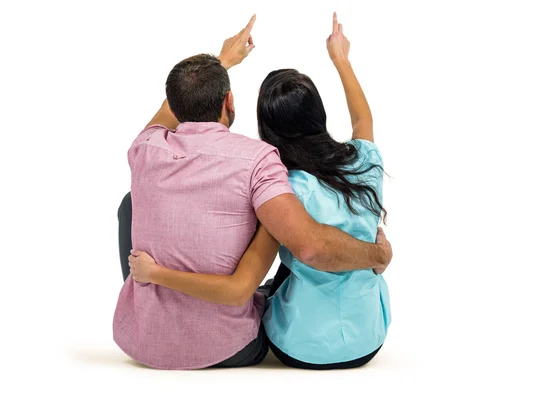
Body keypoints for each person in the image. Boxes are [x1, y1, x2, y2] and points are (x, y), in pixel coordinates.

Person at [114, 14, 393, 370]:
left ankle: (156, 305)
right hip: (359, 337)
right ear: (229, 101)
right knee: (263, 216)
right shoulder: (290, 165)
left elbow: (170, 110)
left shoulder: (145, 148)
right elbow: (362, 123)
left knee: (131, 204)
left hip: (149, 340)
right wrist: (377, 255)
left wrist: (222, 62)